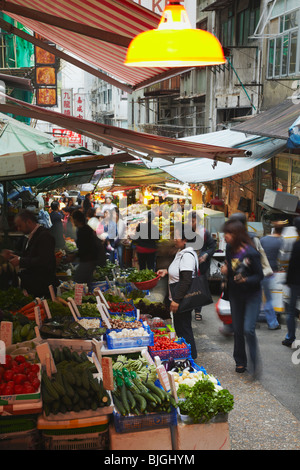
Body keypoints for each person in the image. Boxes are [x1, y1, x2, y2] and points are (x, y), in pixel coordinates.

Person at [220, 219, 263, 376]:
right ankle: (240, 361)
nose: (225, 236)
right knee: (238, 329)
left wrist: (245, 279)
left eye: (228, 233)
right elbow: (231, 269)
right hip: (236, 295)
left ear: (237, 235)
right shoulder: (229, 249)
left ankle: (254, 363)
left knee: (248, 329)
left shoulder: (251, 253)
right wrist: (226, 271)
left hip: (252, 295)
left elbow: (259, 276)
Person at [157, 223, 199, 359]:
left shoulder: (187, 255)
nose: (175, 239)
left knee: (184, 328)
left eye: (177, 237)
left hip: (182, 297)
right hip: (178, 296)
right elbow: (179, 272)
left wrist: (176, 300)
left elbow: (186, 280)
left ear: (186, 239)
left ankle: (190, 358)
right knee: (181, 328)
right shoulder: (181, 253)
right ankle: (186, 355)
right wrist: (166, 271)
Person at [8, 209, 59, 297]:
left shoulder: (44, 236)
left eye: (20, 226)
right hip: (34, 286)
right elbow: (30, 255)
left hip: (43, 288)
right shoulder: (30, 236)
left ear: (28, 222)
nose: (18, 229)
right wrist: (13, 254)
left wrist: (20, 261)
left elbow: (43, 261)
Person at [188, 211, 216, 321]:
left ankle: (198, 310)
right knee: (189, 285)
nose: (191, 223)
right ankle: (188, 307)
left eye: (193, 221)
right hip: (189, 263)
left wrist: (205, 255)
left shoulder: (204, 232)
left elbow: (212, 246)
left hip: (201, 265)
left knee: (199, 286)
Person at [260, 221, 287, 330]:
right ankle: (272, 323)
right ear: (282, 231)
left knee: (257, 297)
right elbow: (282, 259)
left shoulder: (263, 239)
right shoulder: (280, 241)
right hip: (270, 273)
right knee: (269, 299)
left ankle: (250, 321)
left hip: (259, 271)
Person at [282, 217, 300, 347]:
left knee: (291, 311)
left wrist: (287, 280)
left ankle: (290, 338)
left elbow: (292, 264)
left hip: (295, 282)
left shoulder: (297, 244)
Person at [71, 209, 101, 287]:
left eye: (73, 219)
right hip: (90, 260)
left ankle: (84, 297)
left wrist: (74, 256)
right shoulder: (86, 228)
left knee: (79, 283)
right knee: (86, 283)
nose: (73, 222)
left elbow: (84, 249)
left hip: (87, 261)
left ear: (76, 220)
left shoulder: (83, 231)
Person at [134, 206, 160, 271]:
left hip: (141, 249)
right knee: (150, 266)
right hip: (151, 250)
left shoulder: (140, 226)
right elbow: (158, 238)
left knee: (142, 267)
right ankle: (150, 280)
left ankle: (143, 280)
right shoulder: (154, 228)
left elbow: (136, 236)